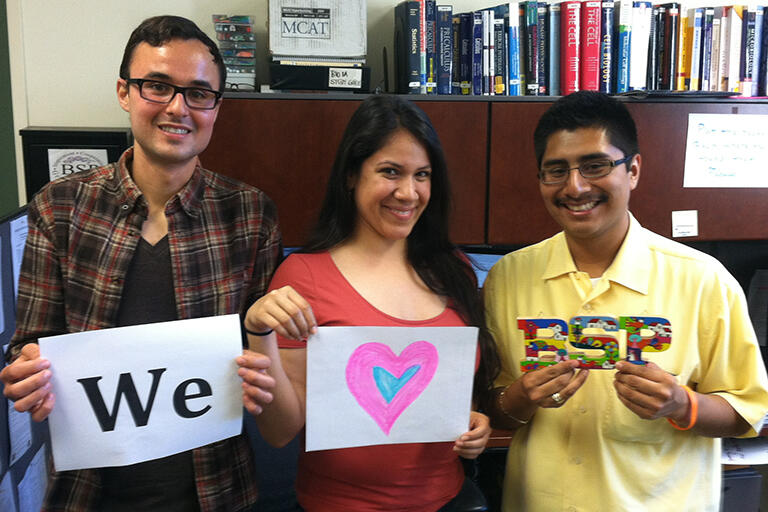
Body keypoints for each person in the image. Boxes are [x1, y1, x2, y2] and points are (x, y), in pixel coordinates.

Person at [0, 15, 281, 511]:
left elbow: (259, 349)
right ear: (124, 92)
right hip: (88, 491)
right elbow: (30, 344)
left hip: (217, 490)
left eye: (198, 93)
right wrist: (27, 373)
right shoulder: (60, 207)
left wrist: (262, 373)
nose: (178, 108)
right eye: (157, 86)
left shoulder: (250, 213)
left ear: (217, 107)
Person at [484, 91, 768, 512]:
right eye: (555, 171)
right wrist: (521, 397)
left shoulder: (703, 280)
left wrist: (681, 404)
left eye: (595, 165)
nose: (575, 186)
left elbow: (748, 412)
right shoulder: (508, 278)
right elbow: (496, 410)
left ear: (632, 169)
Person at [236, 94, 499, 511]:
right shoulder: (304, 276)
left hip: (447, 500)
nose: (408, 193)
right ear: (351, 176)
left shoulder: (455, 270)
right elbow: (280, 432)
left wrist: (474, 422)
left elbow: (454, 393)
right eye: (390, 172)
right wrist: (258, 332)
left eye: (422, 175)